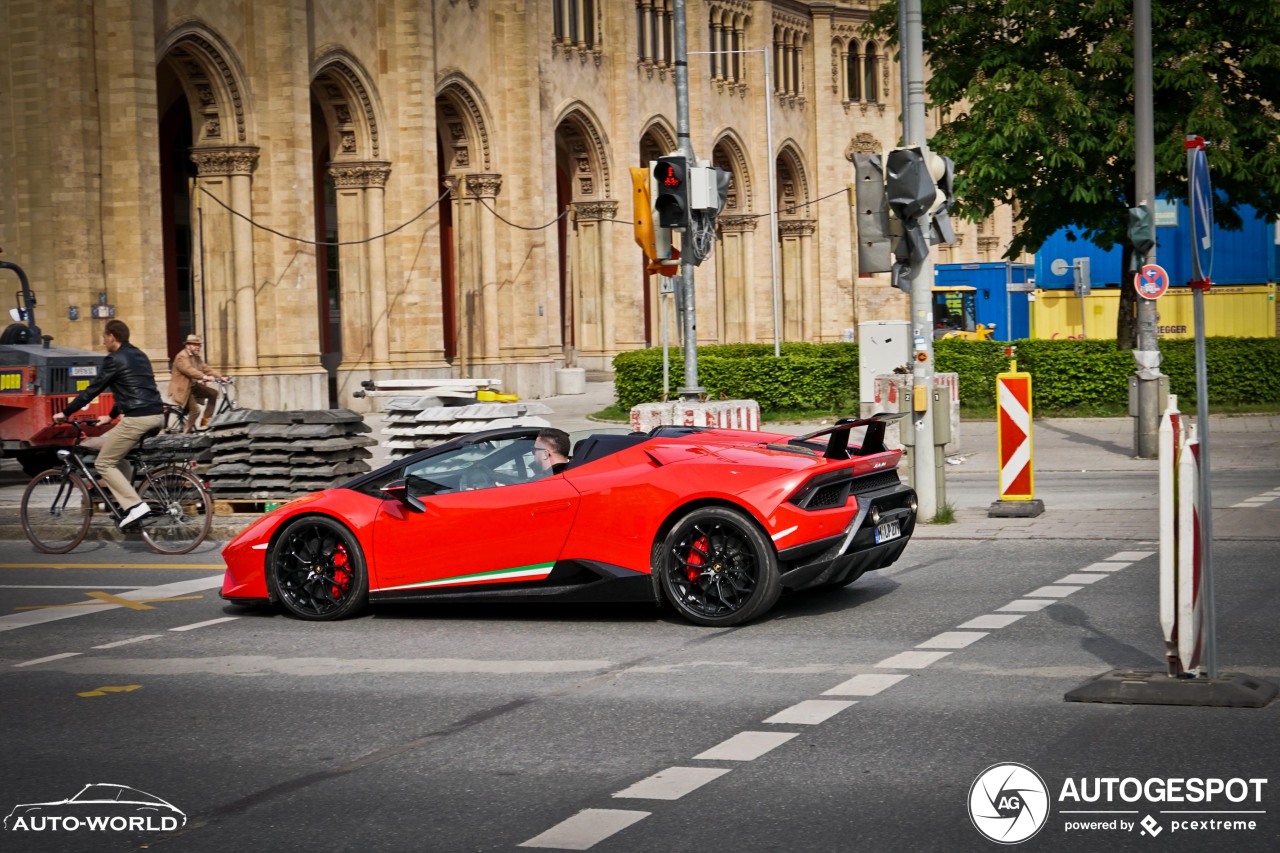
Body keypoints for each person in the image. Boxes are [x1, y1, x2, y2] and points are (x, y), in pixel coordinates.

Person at [53, 319, 166, 529]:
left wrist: (65, 411)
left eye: (104, 337)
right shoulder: (139, 355)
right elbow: (131, 387)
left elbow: (92, 390)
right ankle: (126, 508)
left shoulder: (114, 359)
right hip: (156, 415)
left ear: (112, 336)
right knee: (117, 457)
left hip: (137, 418)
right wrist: (111, 415)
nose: (103, 342)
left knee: (103, 463)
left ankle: (134, 506)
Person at [168, 334, 226, 433]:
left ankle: (205, 423)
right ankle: (186, 434)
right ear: (187, 345)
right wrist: (204, 377)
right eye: (195, 345)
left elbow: (206, 369)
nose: (197, 347)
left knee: (213, 393)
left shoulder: (196, 357)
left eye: (199, 345)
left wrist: (221, 376)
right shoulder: (181, 357)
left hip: (192, 386)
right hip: (182, 389)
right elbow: (189, 370)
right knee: (195, 410)